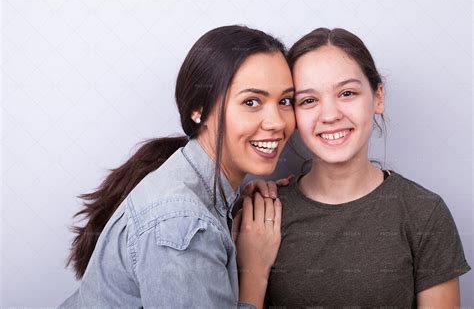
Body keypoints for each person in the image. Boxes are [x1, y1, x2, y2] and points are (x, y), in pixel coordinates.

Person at [60, 25, 296, 308]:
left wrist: (234, 205)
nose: (277, 122)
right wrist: (254, 271)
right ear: (199, 109)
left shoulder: (196, 192)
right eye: (251, 102)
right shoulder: (181, 222)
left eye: (285, 100)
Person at [264, 28, 471, 307]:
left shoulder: (424, 214)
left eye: (347, 93)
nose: (330, 115)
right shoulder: (263, 213)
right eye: (309, 100)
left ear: (378, 97)